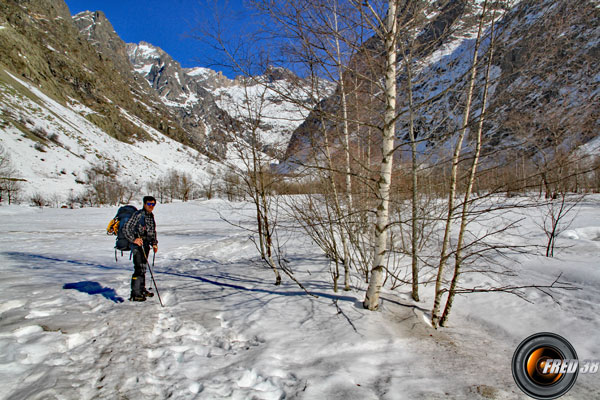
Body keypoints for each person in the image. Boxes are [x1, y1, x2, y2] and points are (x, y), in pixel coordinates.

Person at [123, 196, 158, 301]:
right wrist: (134, 240)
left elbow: (152, 231)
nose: (151, 206)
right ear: (144, 204)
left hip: (146, 245)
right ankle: (135, 293)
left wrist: (154, 243)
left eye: (153, 204)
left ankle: (141, 289)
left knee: (143, 268)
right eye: (149, 204)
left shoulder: (150, 216)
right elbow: (126, 228)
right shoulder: (138, 215)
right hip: (137, 246)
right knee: (138, 268)